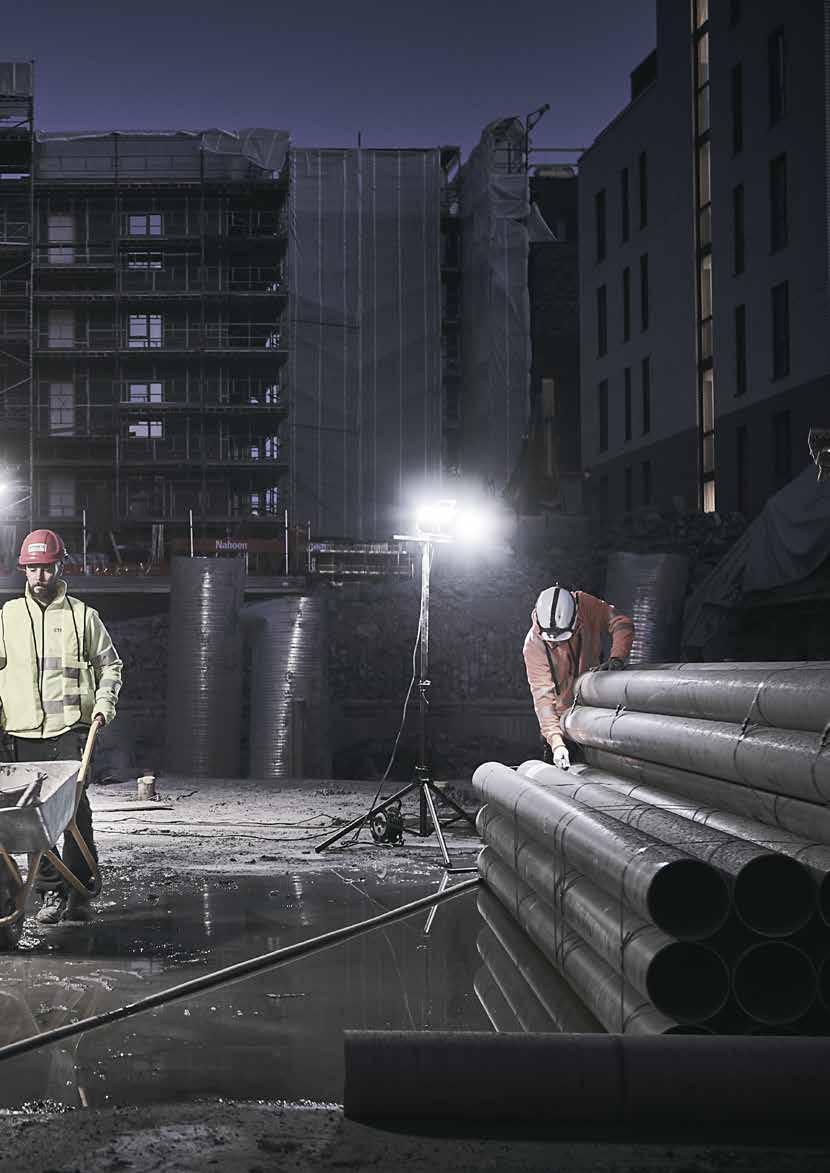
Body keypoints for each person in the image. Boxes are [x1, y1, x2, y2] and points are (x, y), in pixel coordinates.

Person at [0, 529, 122, 924]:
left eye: (46, 568)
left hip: (70, 730)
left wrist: (104, 705)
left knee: (73, 815)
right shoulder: (7, 619)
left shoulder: (83, 617)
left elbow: (110, 666)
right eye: (32, 569)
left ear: (59, 567)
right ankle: (52, 893)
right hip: (21, 731)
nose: (39, 576)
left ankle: (80, 892)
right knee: (34, 822)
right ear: (24, 570)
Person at [523, 585, 634, 771]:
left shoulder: (585, 606)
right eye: (554, 641)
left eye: (564, 638)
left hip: (594, 712)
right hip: (562, 723)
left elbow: (621, 623)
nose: (559, 643)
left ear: (576, 618)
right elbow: (543, 700)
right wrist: (557, 744)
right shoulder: (534, 646)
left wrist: (617, 657)